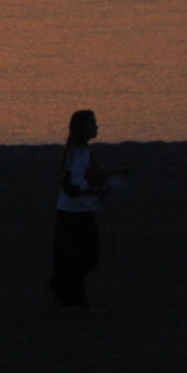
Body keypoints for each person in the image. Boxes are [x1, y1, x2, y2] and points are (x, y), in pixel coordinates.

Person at [50, 108, 120, 307]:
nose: (96, 126)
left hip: (69, 210)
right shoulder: (80, 153)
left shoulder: (75, 151)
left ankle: (68, 296)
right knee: (85, 257)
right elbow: (75, 184)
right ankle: (66, 295)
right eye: (92, 123)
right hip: (76, 211)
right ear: (82, 128)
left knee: (73, 256)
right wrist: (97, 191)